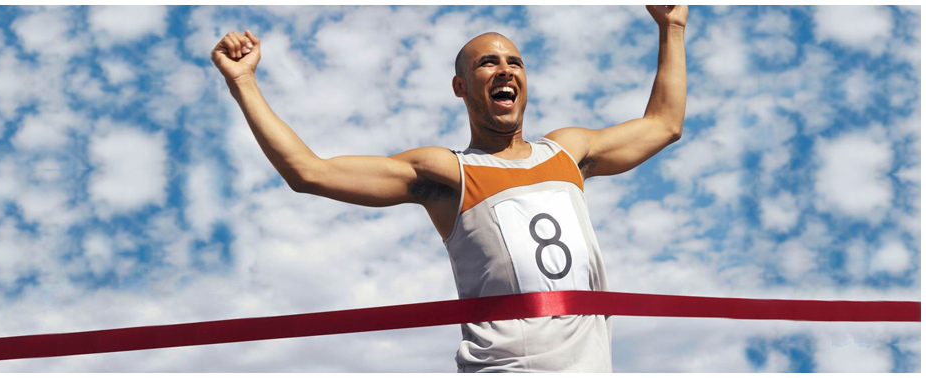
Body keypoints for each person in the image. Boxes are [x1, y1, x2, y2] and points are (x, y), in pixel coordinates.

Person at [212, 5, 687, 373]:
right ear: (460, 86)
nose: (505, 70)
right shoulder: (447, 173)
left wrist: (672, 28)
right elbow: (309, 172)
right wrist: (244, 82)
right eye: (488, 63)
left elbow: (663, 125)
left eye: (514, 62)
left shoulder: (567, 153)